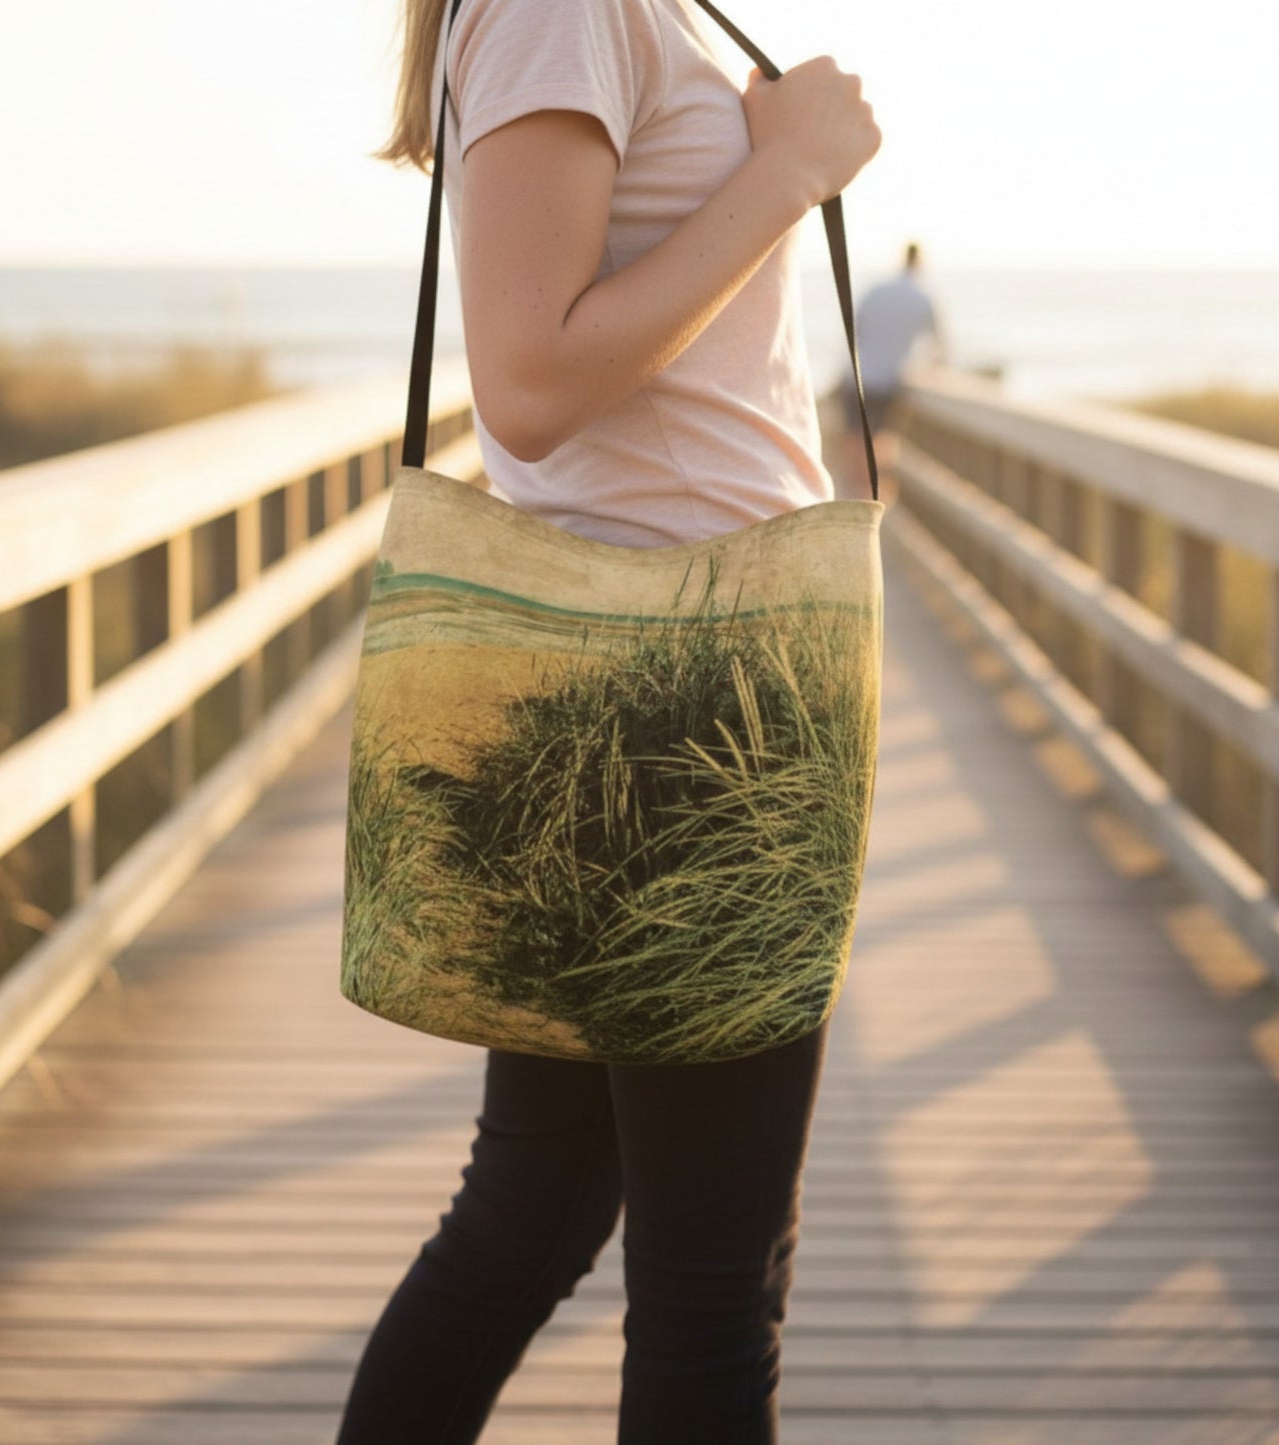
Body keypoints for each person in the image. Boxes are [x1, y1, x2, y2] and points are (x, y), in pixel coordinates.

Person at [335, 1, 880, 1440]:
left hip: (666, 692)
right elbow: (528, 384)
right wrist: (788, 171)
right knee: (709, 1290)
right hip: (679, 713)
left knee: (528, 1217)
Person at [837, 241, 943, 498]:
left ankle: (854, 496)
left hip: (856, 377)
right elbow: (939, 346)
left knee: (854, 437)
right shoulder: (922, 298)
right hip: (887, 379)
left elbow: (854, 330)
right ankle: (869, 497)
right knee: (880, 440)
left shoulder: (876, 290)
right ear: (920, 263)